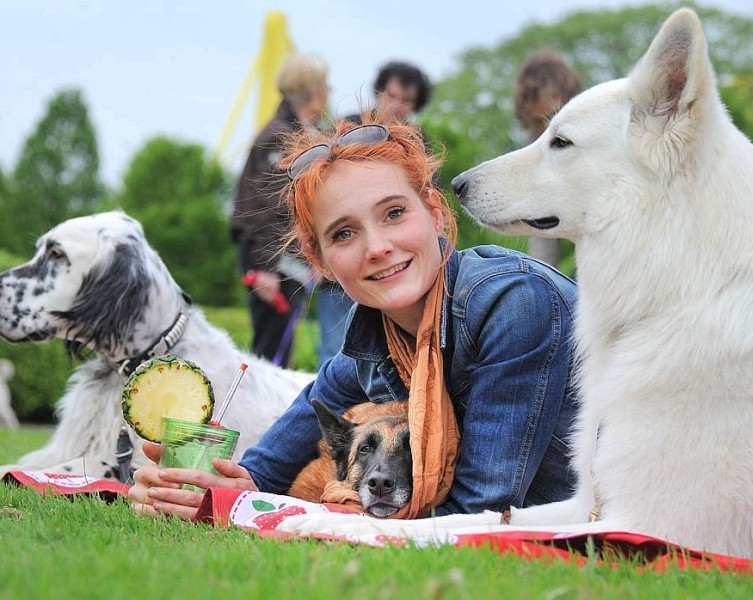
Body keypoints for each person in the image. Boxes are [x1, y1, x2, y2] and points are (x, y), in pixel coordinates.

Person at [128, 119, 579, 522]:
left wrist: (327, 516)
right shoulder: (369, 345)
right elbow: (259, 474)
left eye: (394, 213)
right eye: (344, 233)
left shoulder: (513, 304)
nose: (377, 246)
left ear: (437, 217)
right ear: (320, 261)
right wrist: (197, 491)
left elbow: (479, 510)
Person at [312, 60, 437, 367]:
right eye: (392, 96)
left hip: (400, 273)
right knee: (336, 351)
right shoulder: (343, 131)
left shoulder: (418, 143)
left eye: (406, 101)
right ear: (380, 93)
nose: (397, 106)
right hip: (342, 276)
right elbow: (312, 200)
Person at [230, 52, 330, 367]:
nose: (329, 93)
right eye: (327, 86)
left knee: (278, 352)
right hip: (273, 263)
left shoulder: (299, 133)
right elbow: (269, 207)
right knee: (268, 355)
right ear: (313, 92)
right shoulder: (279, 137)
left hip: (287, 262)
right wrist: (265, 269)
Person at [513, 50, 582, 268]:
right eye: (538, 120)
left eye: (553, 117)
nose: (546, 129)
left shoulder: (590, 132)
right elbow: (539, 219)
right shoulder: (533, 143)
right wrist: (543, 273)